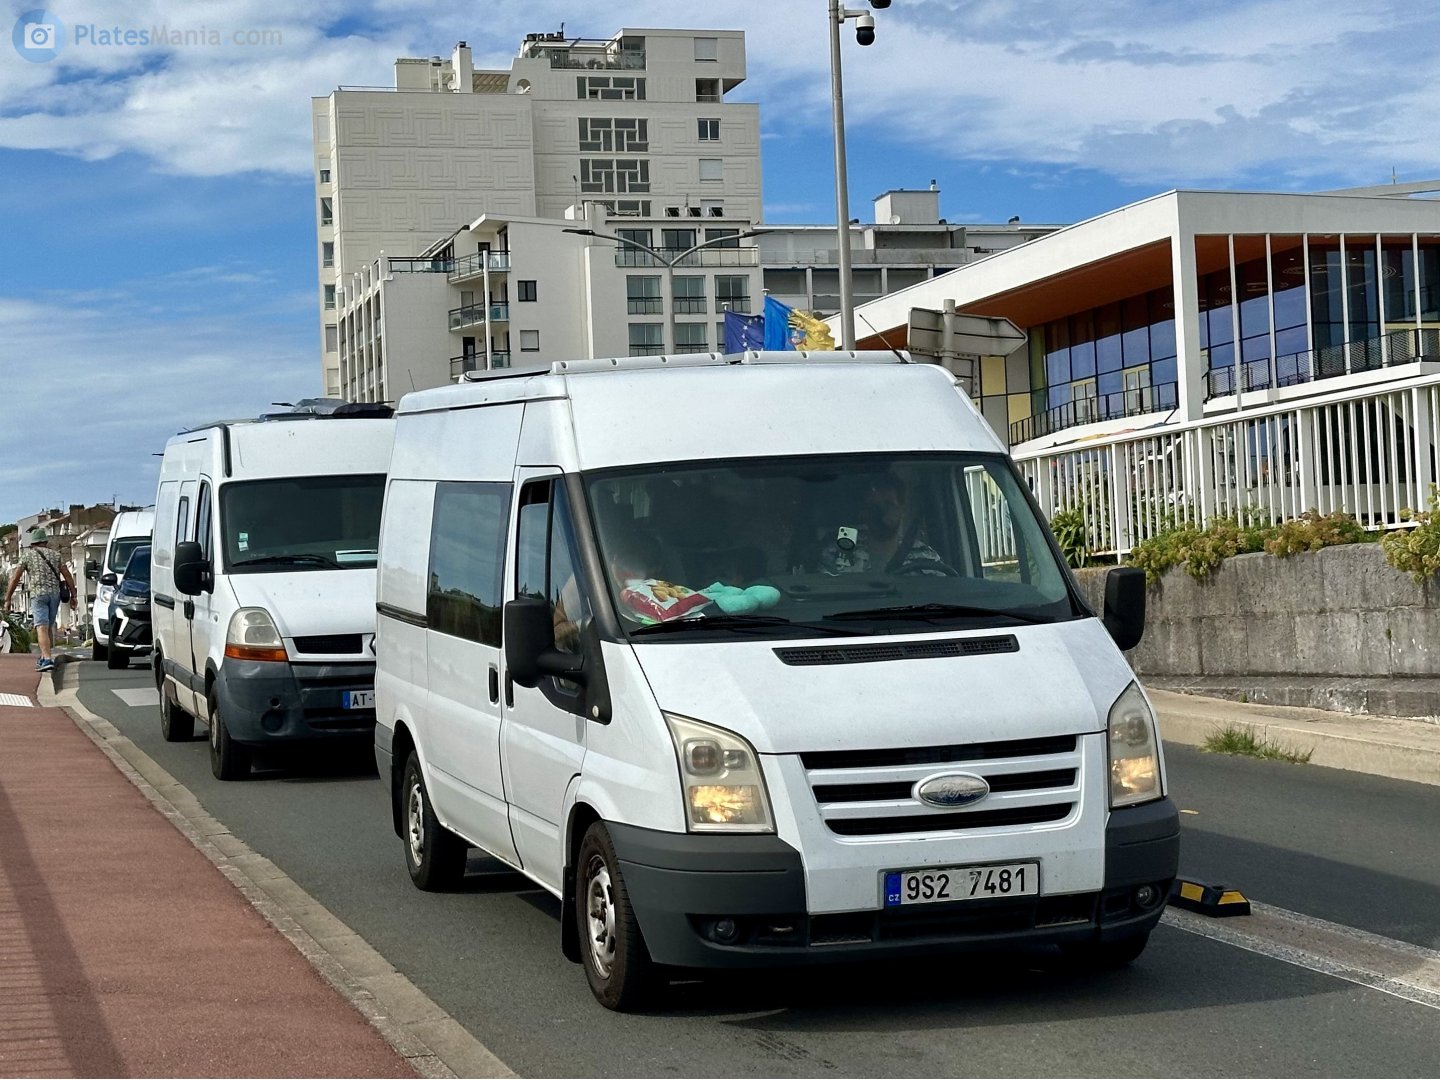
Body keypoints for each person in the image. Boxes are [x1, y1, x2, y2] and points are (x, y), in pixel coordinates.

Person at [819, 471, 956, 577]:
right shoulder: (838, 553)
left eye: (888, 505)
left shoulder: (926, 557)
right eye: (874, 506)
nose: (881, 512)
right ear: (863, 512)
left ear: (901, 509)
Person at [3, 527, 79, 671]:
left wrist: (8, 598)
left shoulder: (27, 556)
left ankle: (47, 660)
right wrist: (74, 595)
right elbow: (67, 575)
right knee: (48, 626)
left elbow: (15, 578)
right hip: (54, 595)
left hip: (38, 595)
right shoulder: (56, 555)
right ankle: (45, 656)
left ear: (32, 543)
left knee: (41, 627)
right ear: (45, 541)